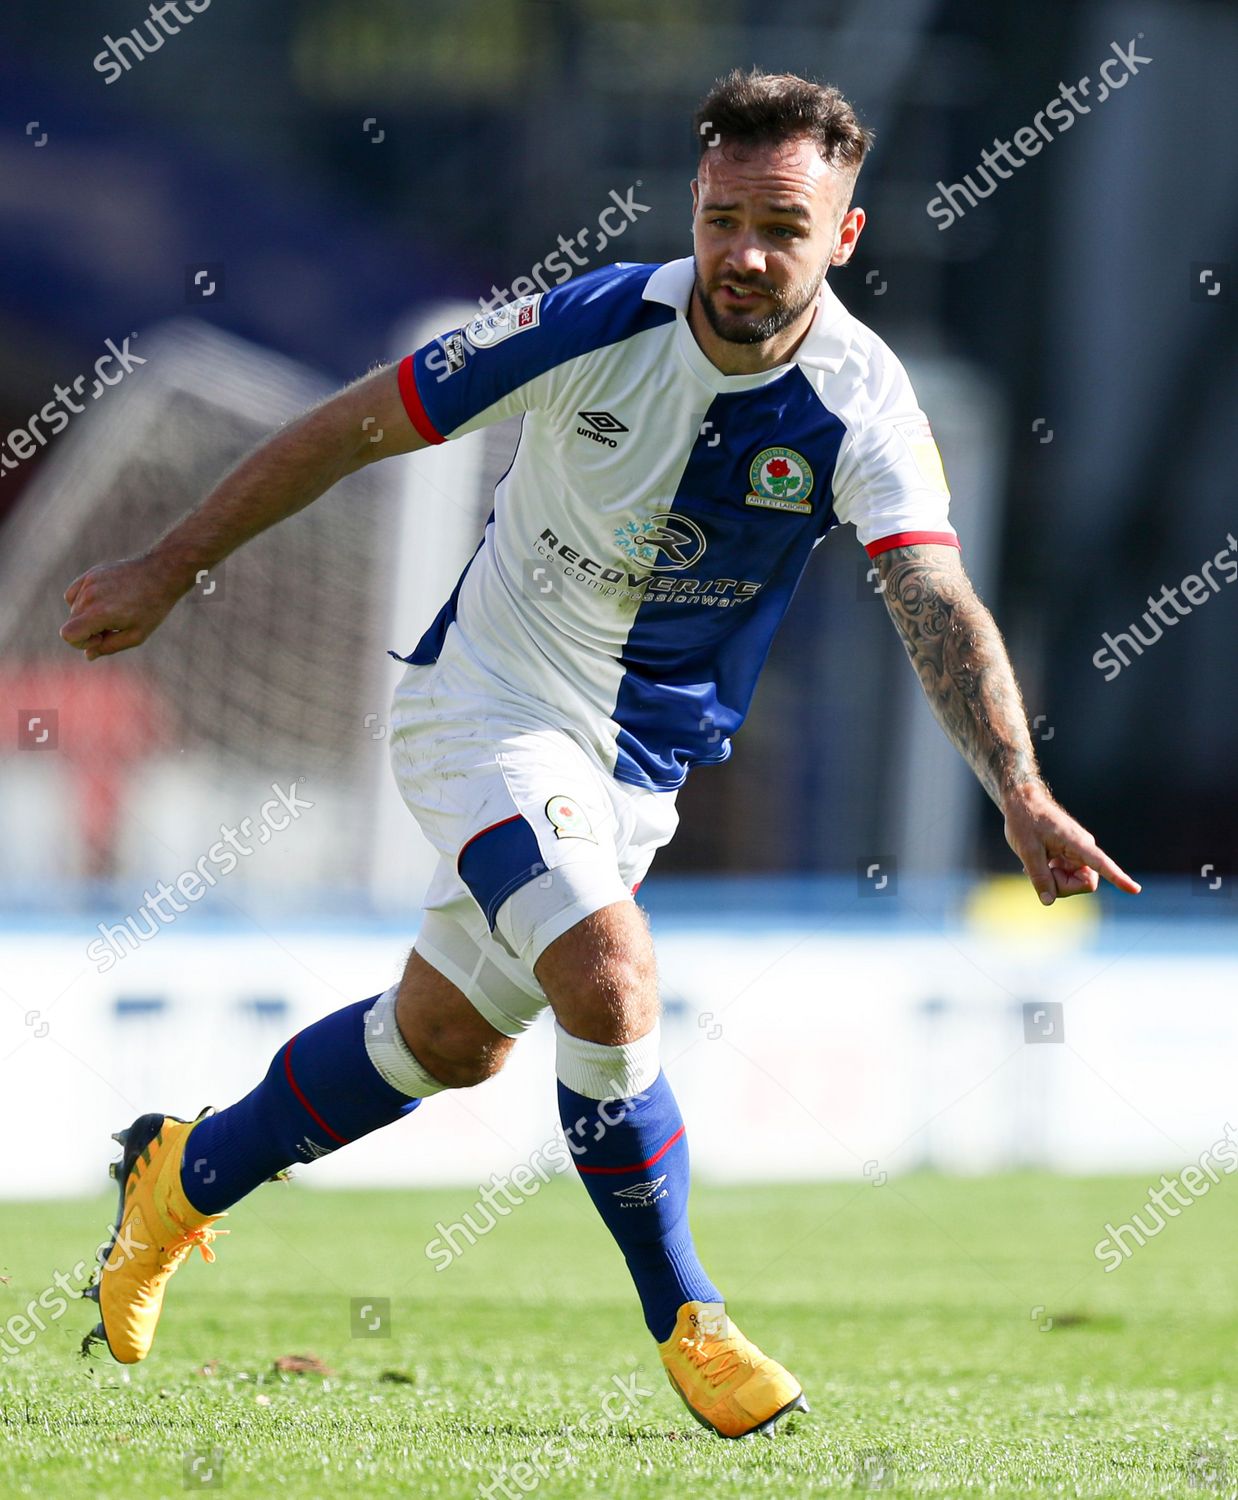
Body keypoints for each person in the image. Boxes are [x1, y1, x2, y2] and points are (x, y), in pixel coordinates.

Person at [59, 67, 1139, 1439]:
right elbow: (354, 426)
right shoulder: (587, 324)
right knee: (611, 974)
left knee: (446, 1044)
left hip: (632, 774)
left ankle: (180, 1176)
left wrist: (1020, 792)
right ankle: (690, 1317)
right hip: (485, 703)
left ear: (843, 239)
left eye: (782, 228)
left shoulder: (862, 406)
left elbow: (932, 598)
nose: (744, 254)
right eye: (721, 217)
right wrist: (169, 565)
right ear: (692, 206)